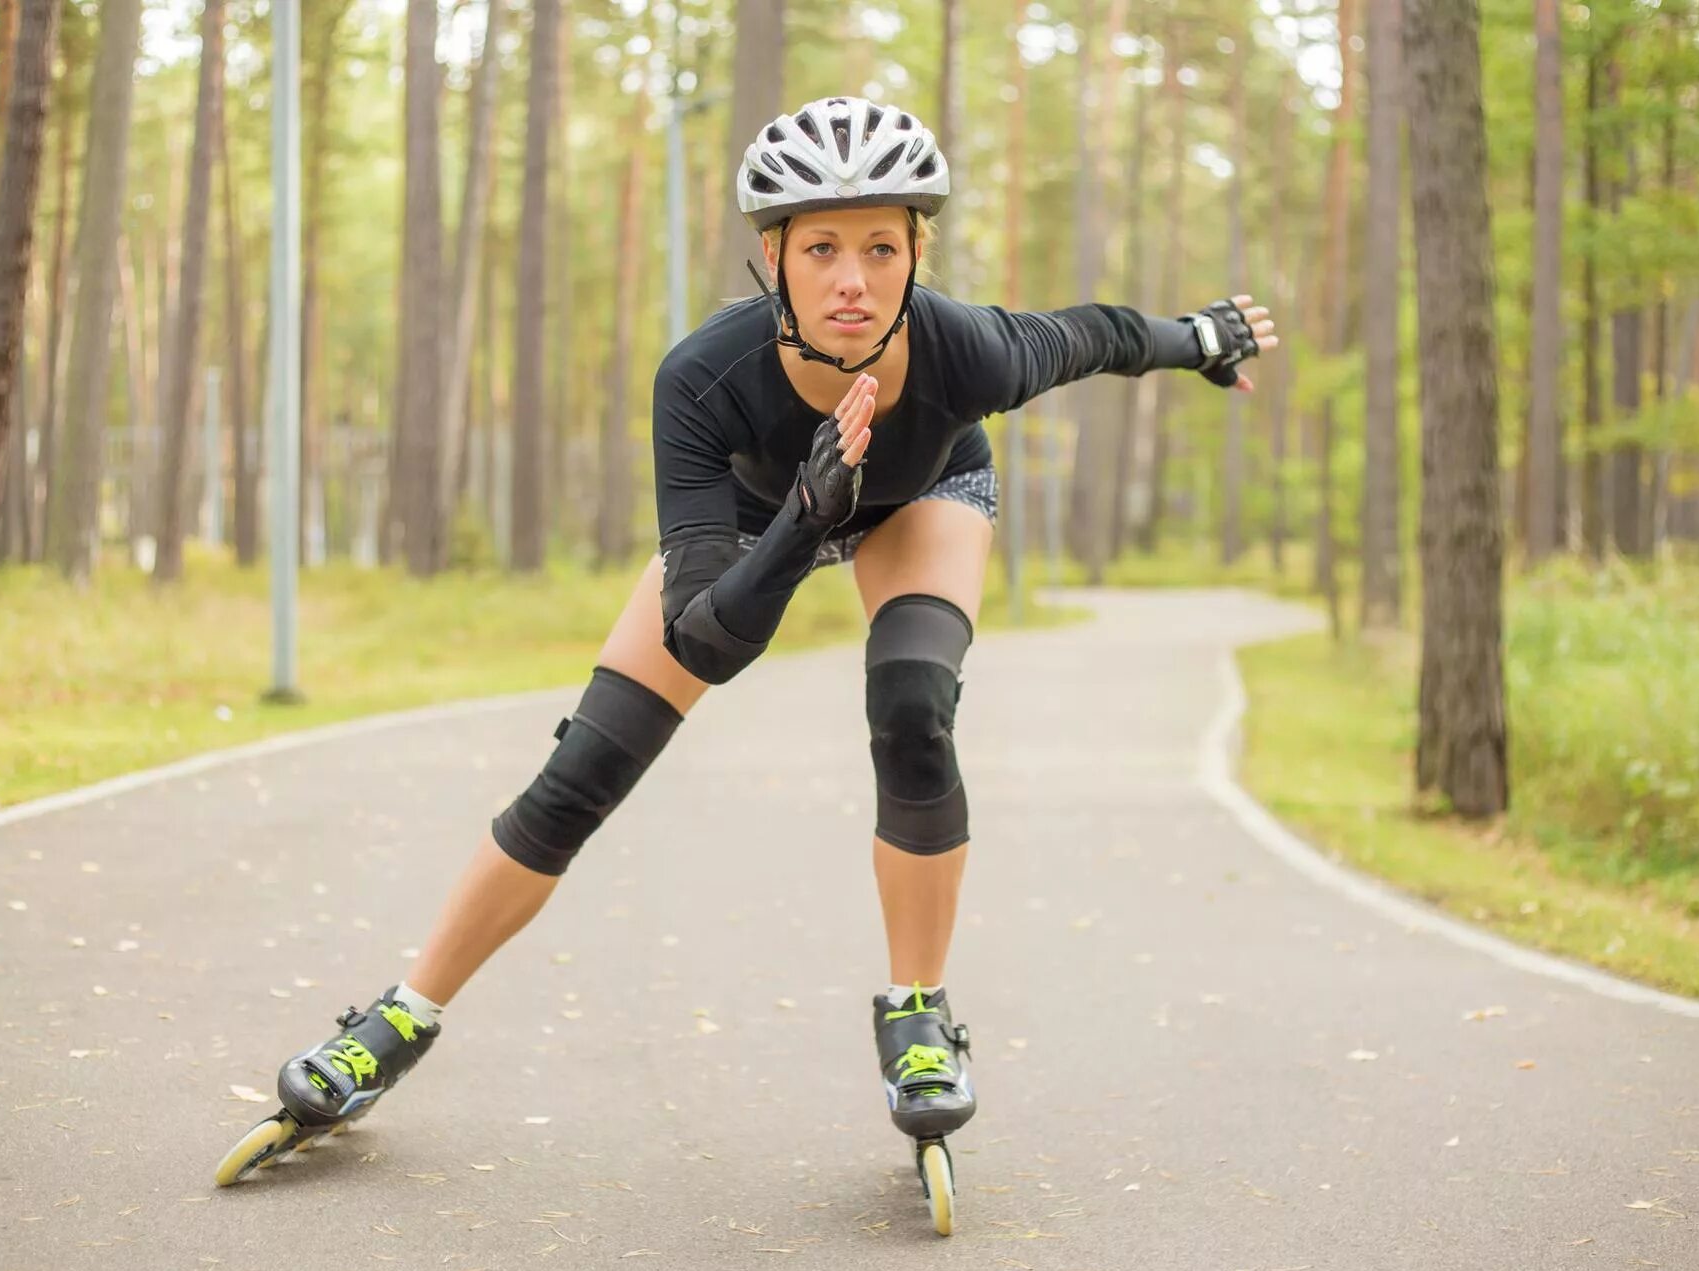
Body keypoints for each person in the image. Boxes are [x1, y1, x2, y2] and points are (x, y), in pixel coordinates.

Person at [216, 95, 1276, 1187]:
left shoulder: (970, 353)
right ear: (774, 257)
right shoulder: (703, 378)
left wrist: (1197, 340)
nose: (853, 278)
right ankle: (399, 1015)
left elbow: (1095, 334)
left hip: (925, 491)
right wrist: (803, 519)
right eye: (822, 247)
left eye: (882, 244)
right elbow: (709, 638)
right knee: (582, 769)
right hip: (749, 523)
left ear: (918, 252)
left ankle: (918, 1013)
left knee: (914, 712)